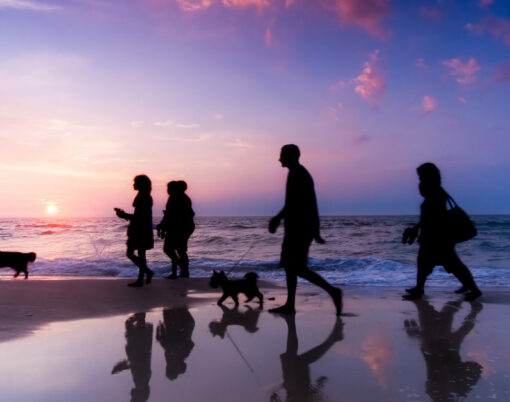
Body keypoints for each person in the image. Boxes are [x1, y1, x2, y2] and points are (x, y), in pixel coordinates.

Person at [268, 144, 343, 315]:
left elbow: (295, 203)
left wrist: (277, 219)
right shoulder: (296, 173)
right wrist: (315, 231)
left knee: (297, 268)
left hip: (299, 230)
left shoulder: (299, 174)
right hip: (298, 229)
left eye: (282, 155)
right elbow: (308, 203)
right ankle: (290, 304)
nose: (279, 159)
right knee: (290, 266)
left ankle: (332, 292)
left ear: (290, 156)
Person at [402, 163, 481, 301]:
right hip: (436, 237)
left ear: (429, 177)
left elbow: (433, 218)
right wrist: (416, 229)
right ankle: (420, 288)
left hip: (437, 238)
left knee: (452, 264)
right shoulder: (435, 193)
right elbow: (426, 218)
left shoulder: (436, 195)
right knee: (430, 263)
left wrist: (418, 230)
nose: (419, 181)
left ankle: (474, 289)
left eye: (421, 177)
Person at [115, 175, 154, 287]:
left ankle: (146, 273)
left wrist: (123, 215)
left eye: (135, 182)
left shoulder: (143, 197)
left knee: (130, 253)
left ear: (141, 184)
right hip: (144, 228)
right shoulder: (145, 196)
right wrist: (125, 215)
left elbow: (139, 217)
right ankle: (141, 279)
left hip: (139, 229)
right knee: (141, 254)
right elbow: (140, 216)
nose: (133, 184)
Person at [157, 180, 195, 279]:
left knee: (178, 249)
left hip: (182, 227)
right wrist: (163, 226)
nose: (167, 190)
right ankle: (179, 271)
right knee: (172, 249)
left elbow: (186, 214)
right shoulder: (172, 197)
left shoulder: (183, 198)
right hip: (175, 227)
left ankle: (183, 271)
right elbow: (168, 214)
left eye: (169, 188)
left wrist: (165, 225)